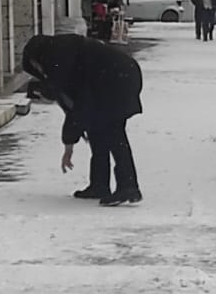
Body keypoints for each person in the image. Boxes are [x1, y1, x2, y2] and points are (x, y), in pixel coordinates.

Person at [21, 33, 144, 206]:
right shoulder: (63, 56)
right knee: (97, 129)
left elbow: (78, 108)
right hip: (120, 75)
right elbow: (77, 108)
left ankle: (128, 186)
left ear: (36, 59)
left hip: (117, 79)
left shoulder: (60, 60)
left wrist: (69, 143)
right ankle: (99, 184)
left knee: (113, 132)